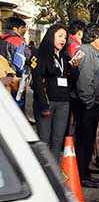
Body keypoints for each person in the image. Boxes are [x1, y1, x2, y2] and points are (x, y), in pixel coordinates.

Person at [72, 25, 99, 189]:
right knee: (84, 142)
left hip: (92, 104)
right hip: (86, 105)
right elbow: (85, 82)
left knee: (87, 142)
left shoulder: (93, 53)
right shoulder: (87, 53)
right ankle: (81, 175)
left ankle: (85, 173)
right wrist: (89, 103)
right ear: (94, 37)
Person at [30, 24, 73, 160]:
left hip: (63, 103)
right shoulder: (39, 54)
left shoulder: (65, 57)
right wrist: (44, 105)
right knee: (44, 139)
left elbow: (69, 80)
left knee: (58, 140)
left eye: (65, 37)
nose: (63, 40)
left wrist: (74, 68)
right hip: (47, 103)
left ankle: (54, 171)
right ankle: (41, 171)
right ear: (51, 36)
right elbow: (37, 81)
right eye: (60, 36)